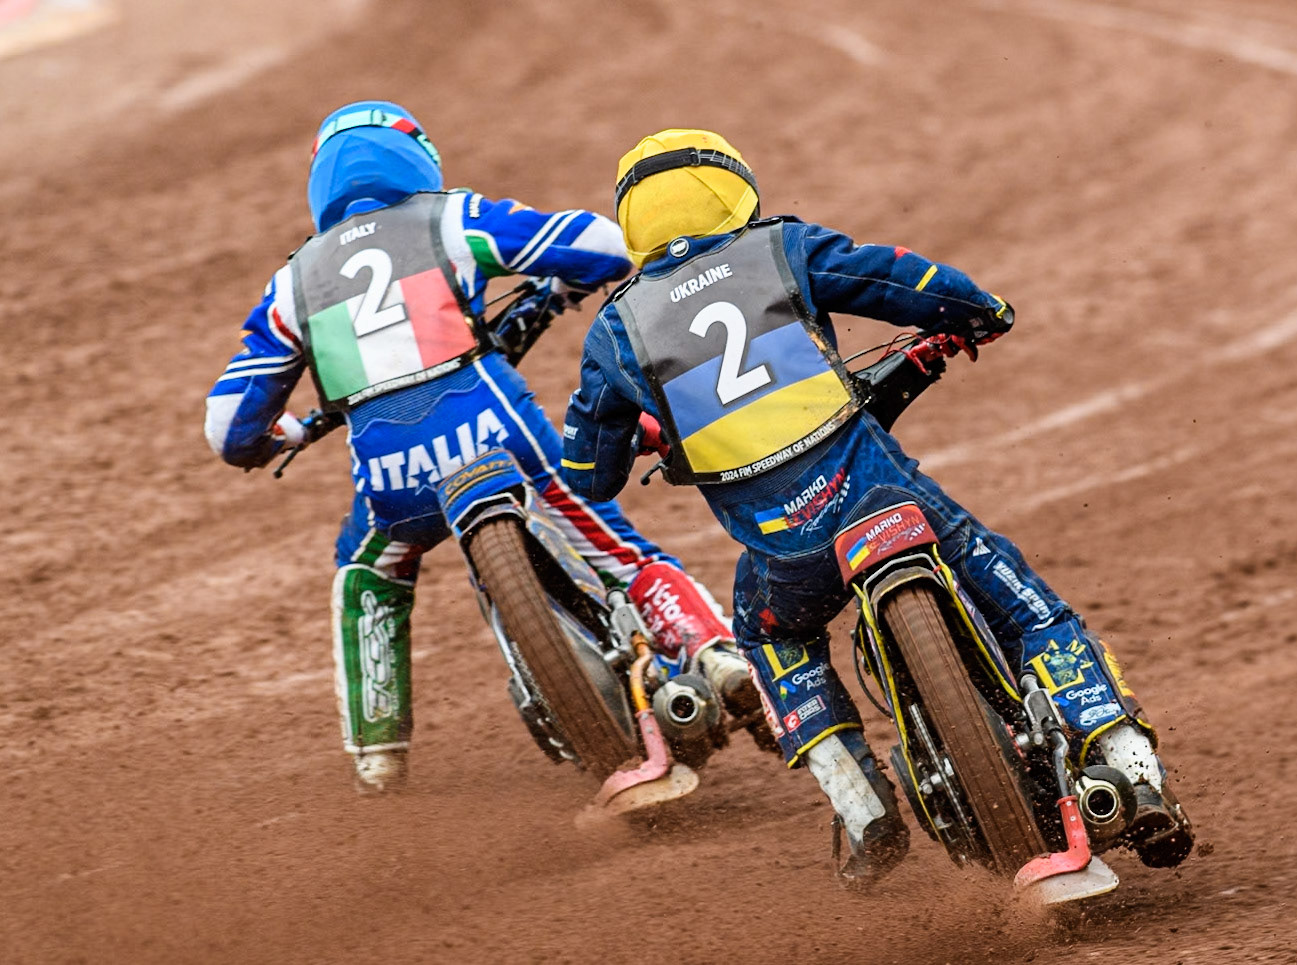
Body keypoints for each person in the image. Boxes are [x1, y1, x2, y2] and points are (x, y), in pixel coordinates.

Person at [560, 129, 1194, 886]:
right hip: (882, 495)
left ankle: (862, 807)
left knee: (769, 635)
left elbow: (588, 473)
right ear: (732, 191)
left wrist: (651, 431)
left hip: (787, 556)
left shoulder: (616, 328)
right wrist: (979, 309)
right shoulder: (779, 248)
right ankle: (1127, 759)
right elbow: (899, 280)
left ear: (635, 224)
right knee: (1028, 610)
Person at [204, 103, 758, 793]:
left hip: (393, 477)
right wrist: (555, 290)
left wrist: (281, 434)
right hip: (495, 424)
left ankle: (379, 757)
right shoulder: (448, 218)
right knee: (616, 552)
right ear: (414, 156)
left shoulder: (294, 282)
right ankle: (716, 652)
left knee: (367, 572)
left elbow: (228, 427)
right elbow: (605, 246)